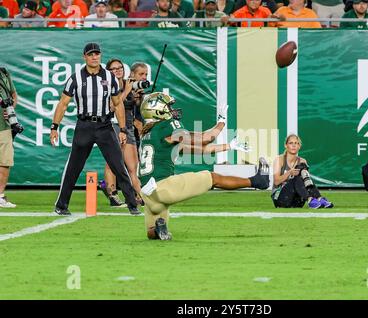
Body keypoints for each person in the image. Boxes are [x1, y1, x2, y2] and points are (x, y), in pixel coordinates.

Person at [137, 92, 270, 240]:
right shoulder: (166, 126)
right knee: (213, 178)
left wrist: (229, 146)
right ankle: (257, 181)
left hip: (148, 194)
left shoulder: (148, 134)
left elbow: (201, 150)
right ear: (158, 111)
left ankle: (158, 229)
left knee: (151, 231)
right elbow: (206, 139)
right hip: (164, 187)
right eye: (168, 106)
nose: (172, 110)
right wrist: (222, 122)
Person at [50, 42, 141, 216]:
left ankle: (132, 204)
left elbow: (118, 103)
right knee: (73, 168)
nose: (94, 57)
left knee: (118, 165)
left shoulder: (110, 77)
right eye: (91, 54)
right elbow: (63, 104)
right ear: (84, 57)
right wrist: (55, 126)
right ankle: (61, 205)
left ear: (100, 55)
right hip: (84, 125)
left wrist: (122, 129)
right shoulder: (75, 78)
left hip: (105, 126)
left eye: (97, 54)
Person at [100, 59, 146, 207]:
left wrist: (138, 96)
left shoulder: (128, 83)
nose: (117, 70)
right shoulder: (105, 85)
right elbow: (112, 106)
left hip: (128, 127)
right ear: (108, 71)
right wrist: (127, 90)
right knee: (112, 161)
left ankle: (139, 195)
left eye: (119, 67)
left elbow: (134, 106)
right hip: (112, 125)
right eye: (113, 69)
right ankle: (113, 194)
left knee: (133, 165)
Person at [271, 134, 333, 209]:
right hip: (281, 199)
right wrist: (289, 173)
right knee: (296, 179)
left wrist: (303, 172)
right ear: (286, 145)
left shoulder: (302, 161)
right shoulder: (279, 159)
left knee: (304, 174)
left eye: (296, 143)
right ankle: (310, 200)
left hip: (297, 201)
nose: (294, 145)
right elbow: (276, 182)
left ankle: (319, 198)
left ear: (299, 146)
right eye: (291, 143)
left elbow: (307, 182)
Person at [0, 66, 18, 208]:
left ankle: (0, 196)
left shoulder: (4, 73)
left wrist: (10, 108)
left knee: (5, 162)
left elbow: (14, 95)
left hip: (4, 126)